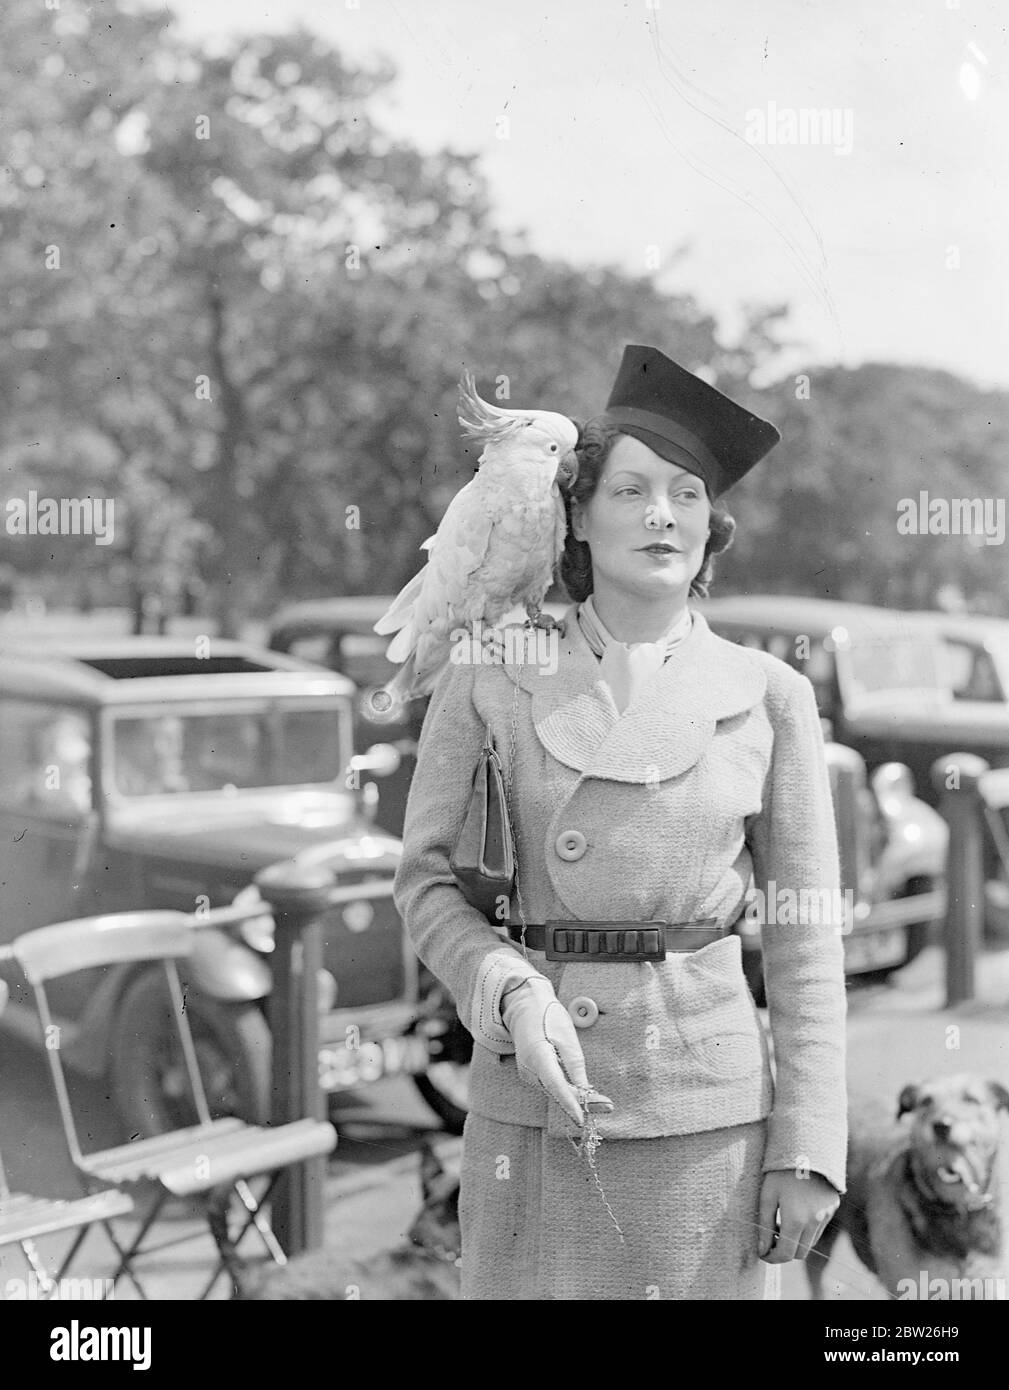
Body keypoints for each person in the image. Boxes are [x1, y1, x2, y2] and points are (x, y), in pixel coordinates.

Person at [394, 344, 847, 1300]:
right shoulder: (489, 668)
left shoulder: (769, 695)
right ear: (577, 515)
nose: (659, 515)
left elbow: (806, 941)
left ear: (710, 527)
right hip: (528, 1121)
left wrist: (807, 1149)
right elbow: (426, 882)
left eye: (685, 495)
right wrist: (508, 987)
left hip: (702, 1130)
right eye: (630, 490)